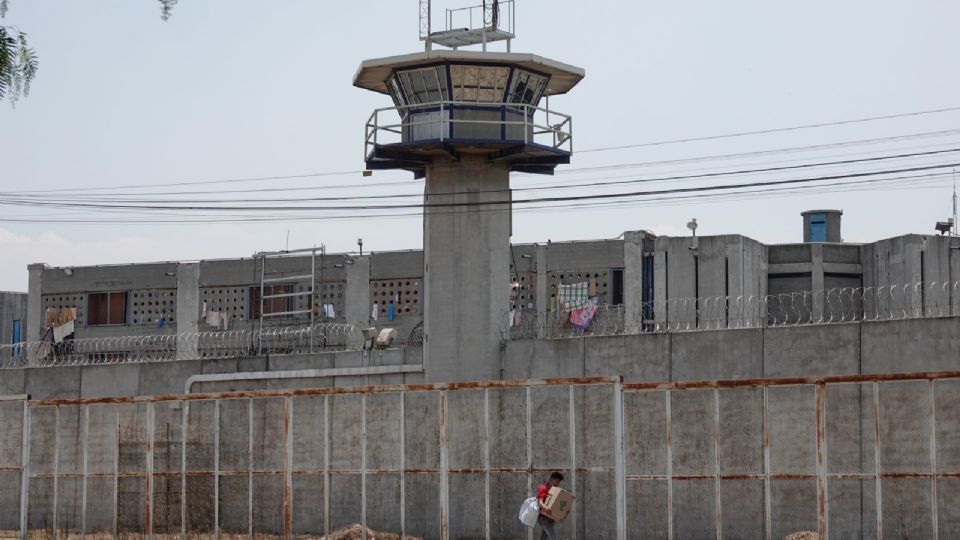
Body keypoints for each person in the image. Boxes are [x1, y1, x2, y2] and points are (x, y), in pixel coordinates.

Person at [535, 471, 564, 539]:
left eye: (559, 482)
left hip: (551, 518)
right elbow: (540, 502)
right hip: (543, 518)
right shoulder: (543, 488)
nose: (557, 483)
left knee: (543, 537)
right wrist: (545, 508)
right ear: (551, 479)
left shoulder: (556, 491)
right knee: (553, 537)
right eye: (556, 481)